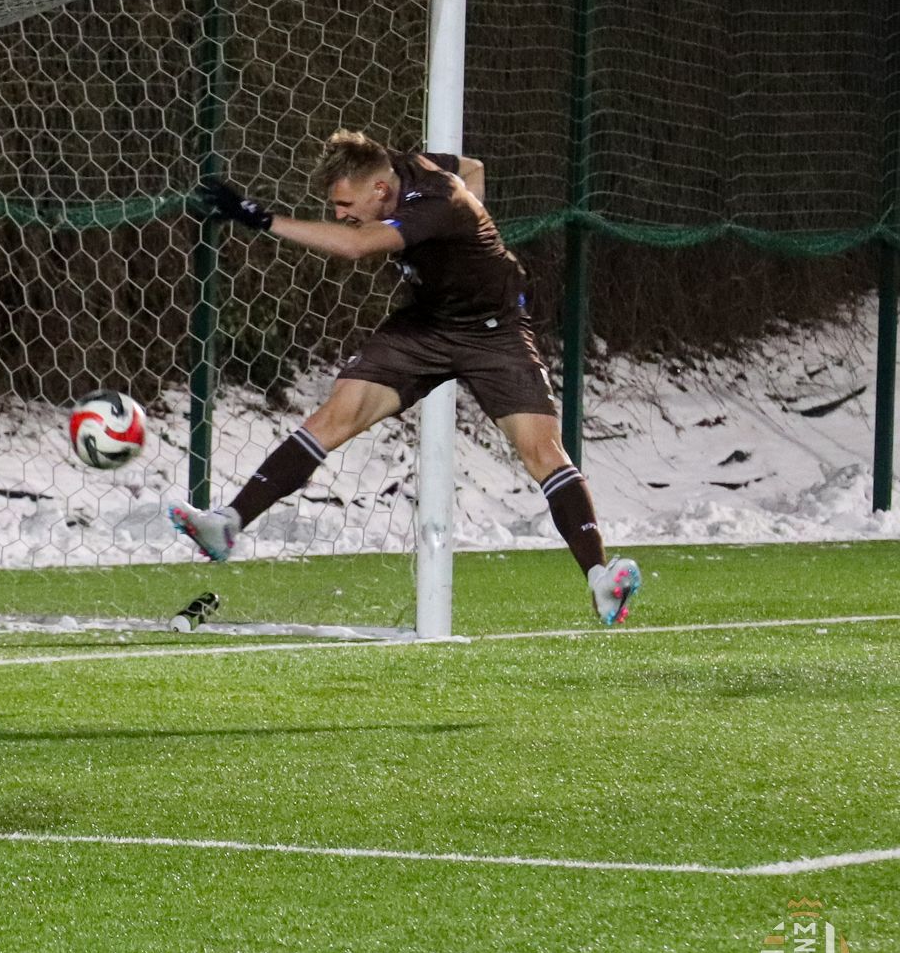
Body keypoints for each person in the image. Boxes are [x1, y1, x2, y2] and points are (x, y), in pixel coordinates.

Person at [171, 130, 641, 624]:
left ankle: (599, 579)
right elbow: (475, 167)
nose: (340, 213)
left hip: (493, 330)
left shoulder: (437, 202)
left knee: (542, 451)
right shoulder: (406, 165)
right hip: (425, 325)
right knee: (336, 415)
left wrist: (261, 218)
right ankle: (227, 524)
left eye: (345, 204)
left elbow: (356, 246)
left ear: (379, 190)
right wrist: (464, 248)